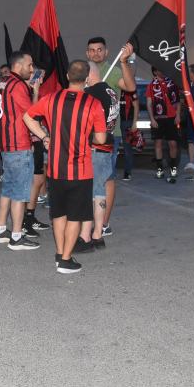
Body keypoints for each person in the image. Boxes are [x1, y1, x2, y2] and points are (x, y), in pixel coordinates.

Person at [26, 60, 107, 274]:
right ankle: (65, 259)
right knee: (76, 216)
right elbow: (100, 138)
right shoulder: (94, 104)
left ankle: (60, 253)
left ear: (68, 76)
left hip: (55, 169)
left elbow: (27, 117)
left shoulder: (51, 99)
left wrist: (45, 136)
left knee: (59, 214)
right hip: (80, 170)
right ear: (87, 78)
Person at [0, 51, 42, 250]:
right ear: (18, 65)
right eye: (29, 65)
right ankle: (16, 236)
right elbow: (32, 114)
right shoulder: (19, 86)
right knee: (20, 194)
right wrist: (35, 91)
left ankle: (0, 229)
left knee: (8, 190)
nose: (32, 69)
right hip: (19, 145)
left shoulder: (3, 83)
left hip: (5, 144)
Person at [86, 39, 135, 236]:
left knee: (107, 178)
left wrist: (123, 62)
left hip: (109, 135)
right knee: (88, 179)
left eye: (100, 50)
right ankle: (90, 219)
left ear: (106, 52)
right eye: (92, 50)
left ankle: (104, 223)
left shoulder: (113, 71)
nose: (96, 53)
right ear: (87, 53)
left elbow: (130, 87)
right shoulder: (83, 71)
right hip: (85, 136)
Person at [75, 62, 119, 252]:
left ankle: (86, 237)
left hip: (94, 147)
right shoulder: (110, 91)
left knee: (90, 193)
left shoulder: (92, 94)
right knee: (99, 191)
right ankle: (98, 234)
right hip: (107, 146)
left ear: (87, 76)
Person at [146, 67, 181, 183]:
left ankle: (173, 167)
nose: (163, 71)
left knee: (173, 143)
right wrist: (152, 119)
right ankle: (160, 169)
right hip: (158, 119)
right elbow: (149, 103)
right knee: (158, 143)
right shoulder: (151, 85)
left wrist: (178, 115)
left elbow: (178, 102)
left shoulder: (172, 83)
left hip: (171, 118)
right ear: (155, 72)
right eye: (159, 69)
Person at [118, 86, 139, 180]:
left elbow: (136, 106)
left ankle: (127, 172)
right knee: (113, 148)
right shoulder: (115, 89)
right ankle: (110, 173)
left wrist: (134, 123)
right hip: (116, 121)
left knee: (127, 149)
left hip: (127, 122)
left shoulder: (131, 91)